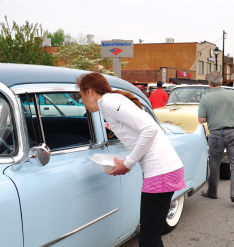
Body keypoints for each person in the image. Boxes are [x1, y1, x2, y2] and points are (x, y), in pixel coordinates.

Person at [77, 72, 185, 247]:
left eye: (80, 95)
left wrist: (128, 163)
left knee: (149, 240)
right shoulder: (112, 101)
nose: (81, 101)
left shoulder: (108, 102)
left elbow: (150, 129)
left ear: (89, 91)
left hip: (160, 172)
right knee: (152, 237)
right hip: (166, 170)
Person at [198, 71, 234, 207]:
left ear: (209, 83)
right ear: (221, 82)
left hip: (215, 135)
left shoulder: (205, 98)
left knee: (214, 165)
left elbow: (201, 119)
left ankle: (212, 192)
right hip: (233, 133)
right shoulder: (232, 94)